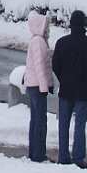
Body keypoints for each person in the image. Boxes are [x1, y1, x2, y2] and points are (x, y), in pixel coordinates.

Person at [52, 10, 87, 168]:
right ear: (84, 25)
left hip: (66, 89)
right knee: (80, 125)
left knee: (63, 124)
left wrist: (63, 79)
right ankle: (78, 157)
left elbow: (56, 65)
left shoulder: (61, 43)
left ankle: (63, 156)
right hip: (84, 91)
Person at [23, 10, 54, 162]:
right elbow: (40, 66)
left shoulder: (37, 41)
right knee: (39, 121)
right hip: (37, 87)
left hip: (35, 85)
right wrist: (45, 86)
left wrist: (50, 83)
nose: (48, 29)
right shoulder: (38, 42)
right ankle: (38, 154)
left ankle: (35, 152)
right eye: (46, 26)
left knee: (36, 120)